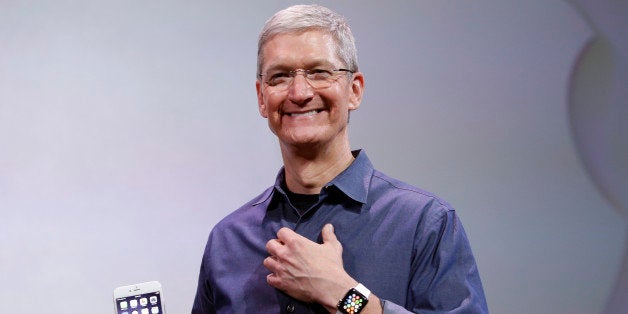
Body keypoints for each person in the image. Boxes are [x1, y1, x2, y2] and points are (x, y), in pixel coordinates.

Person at [192, 4, 488, 314]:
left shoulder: (425, 224)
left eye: (319, 72)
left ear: (354, 91)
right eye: (280, 77)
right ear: (262, 98)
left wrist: (343, 294)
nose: (300, 92)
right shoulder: (227, 240)